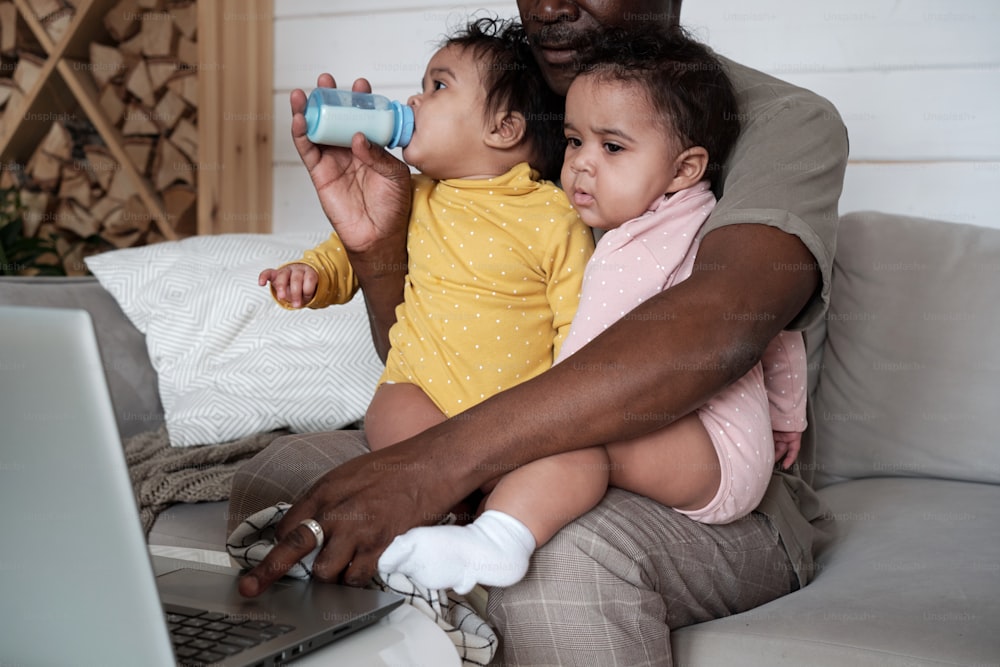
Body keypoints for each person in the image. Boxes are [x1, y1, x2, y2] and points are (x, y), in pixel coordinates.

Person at [230, 1, 848, 664]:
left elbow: (720, 326)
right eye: (576, 142)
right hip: (518, 430)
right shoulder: (498, 89)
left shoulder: (778, 121)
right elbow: (440, 351)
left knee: (556, 563)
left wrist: (439, 466)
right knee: (282, 478)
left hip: (690, 468)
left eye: (609, 146)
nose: (549, 4)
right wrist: (376, 248)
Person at [376, 24, 807, 595]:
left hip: (710, 459)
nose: (580, 164)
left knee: (570, 436)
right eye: (575, 141)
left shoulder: (627, 252)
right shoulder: (710, 226)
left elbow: (586, 375)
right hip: (727, 447)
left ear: (684, 169)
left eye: (612, 147)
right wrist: (786, 416)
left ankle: (499, 540)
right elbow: (776, 331)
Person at [258, 17, 594, 453]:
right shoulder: (412, 197)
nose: (414, 99)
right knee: (390, 409)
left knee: (572, 467)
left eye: (438, 87)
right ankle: (443, 499)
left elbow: (578, 321)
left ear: (503, 128)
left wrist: (564, 410)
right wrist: (310, 272)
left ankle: (481, 501)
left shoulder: (555, 216)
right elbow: (347, 250)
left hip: (513, 413)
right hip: (419, 392)